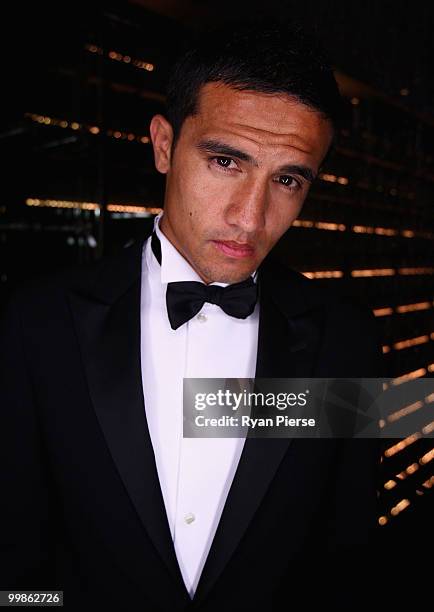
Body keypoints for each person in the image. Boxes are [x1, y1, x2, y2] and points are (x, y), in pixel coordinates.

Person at [0, 20, 382, 611]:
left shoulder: (349, 342)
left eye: (286, 179)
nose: (250, 219)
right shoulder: (34, 324)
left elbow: (347, 559)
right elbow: (16, 564)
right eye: (227, 161)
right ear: (163, 144)